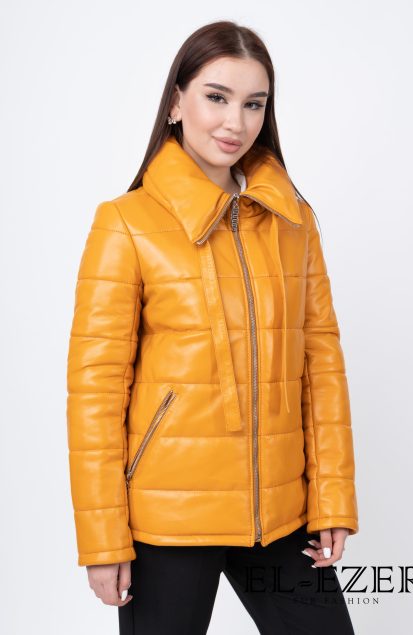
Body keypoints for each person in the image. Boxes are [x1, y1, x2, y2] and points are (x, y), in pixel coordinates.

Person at [66, 19, 359, 635]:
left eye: (254, 103)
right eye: (217, 97)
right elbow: (96, 391)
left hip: (281, 514)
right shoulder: (125, 223)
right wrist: (103, 538)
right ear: (176, 103)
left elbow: (321, 365)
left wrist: (331, 497)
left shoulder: (293, 221)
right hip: (168, 519)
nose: (235, 122)